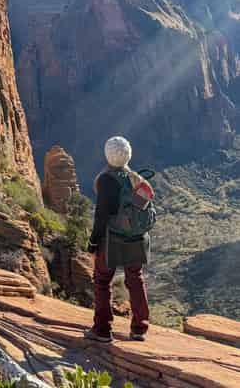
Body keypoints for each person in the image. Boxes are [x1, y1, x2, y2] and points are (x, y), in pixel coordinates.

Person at [84, 136, 151, 343]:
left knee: (102, 280)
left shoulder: (106, 180)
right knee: (135, 278)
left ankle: (102, 329)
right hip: (137, 238)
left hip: (111, 239)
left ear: (107, 155)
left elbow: (102, 215)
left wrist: (94, 242)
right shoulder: (137, 179)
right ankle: (140, 328)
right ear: (128, 155)